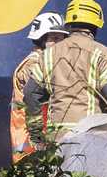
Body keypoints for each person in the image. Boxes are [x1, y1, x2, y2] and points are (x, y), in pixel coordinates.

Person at [24, 0, 107, 145]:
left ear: (69, 24)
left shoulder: (48, 55)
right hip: (90, 136)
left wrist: (36, 134)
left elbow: (30, 93)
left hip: (57, 140)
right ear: (95, 26)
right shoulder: (101, 53)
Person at [9, 12, 68, 162]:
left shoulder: (44, 62)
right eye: (54, 39)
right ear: (41, 40)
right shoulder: (33, 64)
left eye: (61, 39)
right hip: (30, 139)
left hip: (37, 136)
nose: (59, 44)